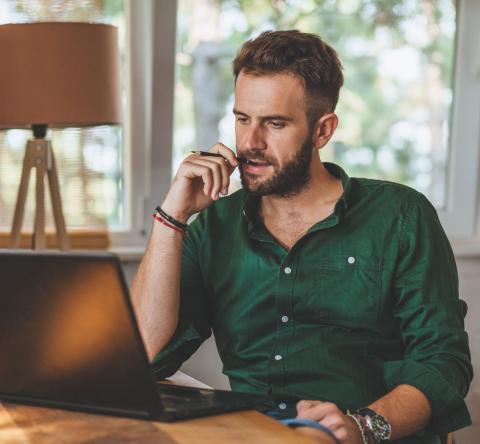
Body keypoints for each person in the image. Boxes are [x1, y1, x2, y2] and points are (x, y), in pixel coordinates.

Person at [131, 30, 472, 443]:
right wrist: (173, 216)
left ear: (323, 130)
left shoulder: (400, 216)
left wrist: (360, 427)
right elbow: (142, 357)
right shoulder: (214, 226)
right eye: (242, 119)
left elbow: (442, 362)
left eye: (274, 124)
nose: (249, 144)